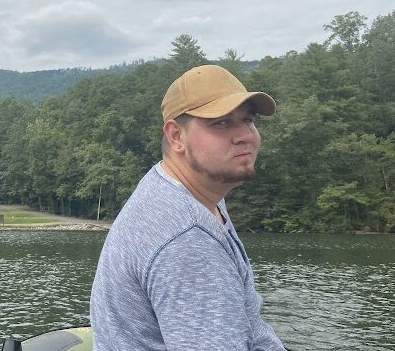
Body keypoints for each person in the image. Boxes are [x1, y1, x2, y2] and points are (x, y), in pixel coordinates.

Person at [90, 65, 286, 350]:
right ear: (177, 136)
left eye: (248, 120)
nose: (246, 135)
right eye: (221, 123)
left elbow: (251, 327)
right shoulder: (187, 239)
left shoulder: (189, 190)